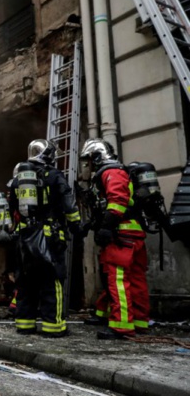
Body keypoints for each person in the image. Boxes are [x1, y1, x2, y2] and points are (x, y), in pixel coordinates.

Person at [8, 139, 81, 338]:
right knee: (52, 281)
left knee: (26, 283)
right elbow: (68, 203)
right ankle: (54, 327)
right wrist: (76, 226)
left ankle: (24, 325)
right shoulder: (54, 176)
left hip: (24, 240)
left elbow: (11, 209)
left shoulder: (18, 180)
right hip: (48, 237)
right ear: (48, 155)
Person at [79, 138, 149, 339]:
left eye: (90, 160)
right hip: (132, 234)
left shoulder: (111, 173)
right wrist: (92, 224)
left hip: (122, 236)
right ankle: (138, 321)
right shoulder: (116, 172)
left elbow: (117, 203)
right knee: (134, 279)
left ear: (98, 157)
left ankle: (121, 325)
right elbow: (105, 208)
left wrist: (107, 228)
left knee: (118, 280)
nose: (89, 166)